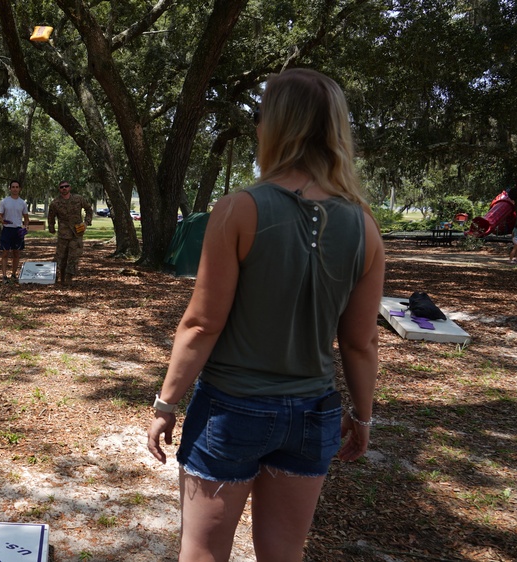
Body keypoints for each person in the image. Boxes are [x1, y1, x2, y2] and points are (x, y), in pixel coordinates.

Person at [146, 68, 385, 561]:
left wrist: (166, 404)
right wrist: (362, 416)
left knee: (203, 552)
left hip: (231, 410)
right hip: (313, 414)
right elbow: (361, 342)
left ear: (276, 126)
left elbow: (201, 322)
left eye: (259, 117)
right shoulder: (365, 227)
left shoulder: (238, 210)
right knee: (284, 553)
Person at [47, 180, 93, 284]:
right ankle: (58, 276)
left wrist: (86, 222)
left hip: (77, 232)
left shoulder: (78, 199)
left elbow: (89, 210)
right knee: (61, 256)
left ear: (70, 188)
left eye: (66, 186)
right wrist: (51, 227)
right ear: (59, 189)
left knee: (74, 256)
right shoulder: (55, 203)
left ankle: (69, 278)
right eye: (62, 187)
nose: (64, 188)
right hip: (63, 233)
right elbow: (51, 216)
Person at [0, 180, 31, 282]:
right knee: (5, 253)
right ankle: (4, 276)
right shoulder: (4, 201)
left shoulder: (23, 203)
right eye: (13, 187)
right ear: (10, 188)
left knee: (16, 253)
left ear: (20, 189)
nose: (15, 189)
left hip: (18, 230)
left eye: (17, 187)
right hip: (7, 230)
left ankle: (13, 274)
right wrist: (2, 220)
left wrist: (26, 226)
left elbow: (26, 217)